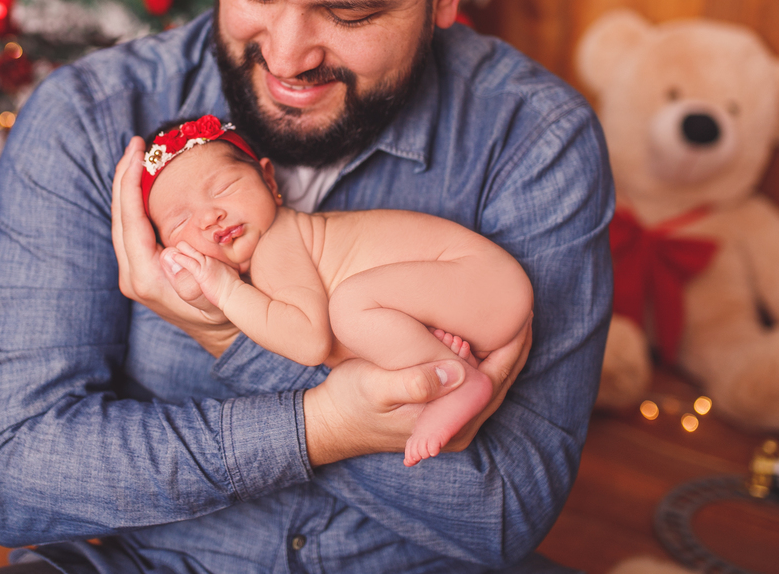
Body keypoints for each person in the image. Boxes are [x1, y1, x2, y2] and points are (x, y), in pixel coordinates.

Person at [0, 0, 615, 572]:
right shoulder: (91, 120)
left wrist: (236, 341)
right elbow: (12, 476)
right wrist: (319, 424)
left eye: (350, 14)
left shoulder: (533, 141)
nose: (287, 56)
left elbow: (505, 511)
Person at [135, 115, 534, 468]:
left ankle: (457, 380)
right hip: (476, 294)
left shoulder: (278, 244)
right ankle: (438, 355)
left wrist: (223, 290)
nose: (209, 216)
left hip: (481, 278)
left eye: (223, 188)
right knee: (353, 349)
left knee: (348, 307)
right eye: (181, 221)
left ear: (269, 180)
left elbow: (308, 343)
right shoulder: (282, 255)